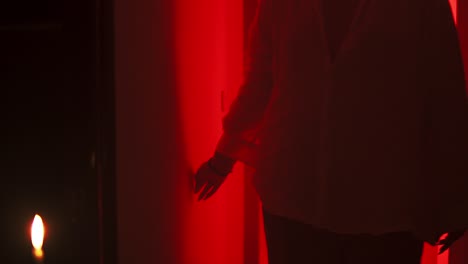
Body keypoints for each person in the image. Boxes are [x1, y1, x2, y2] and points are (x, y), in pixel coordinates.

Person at [193, 0, 468, 263]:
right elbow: (261, 81)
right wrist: (223, 159)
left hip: (385, 204)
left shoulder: (421, 5)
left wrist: (453, 198)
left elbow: (444, 93)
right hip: (292, 196)